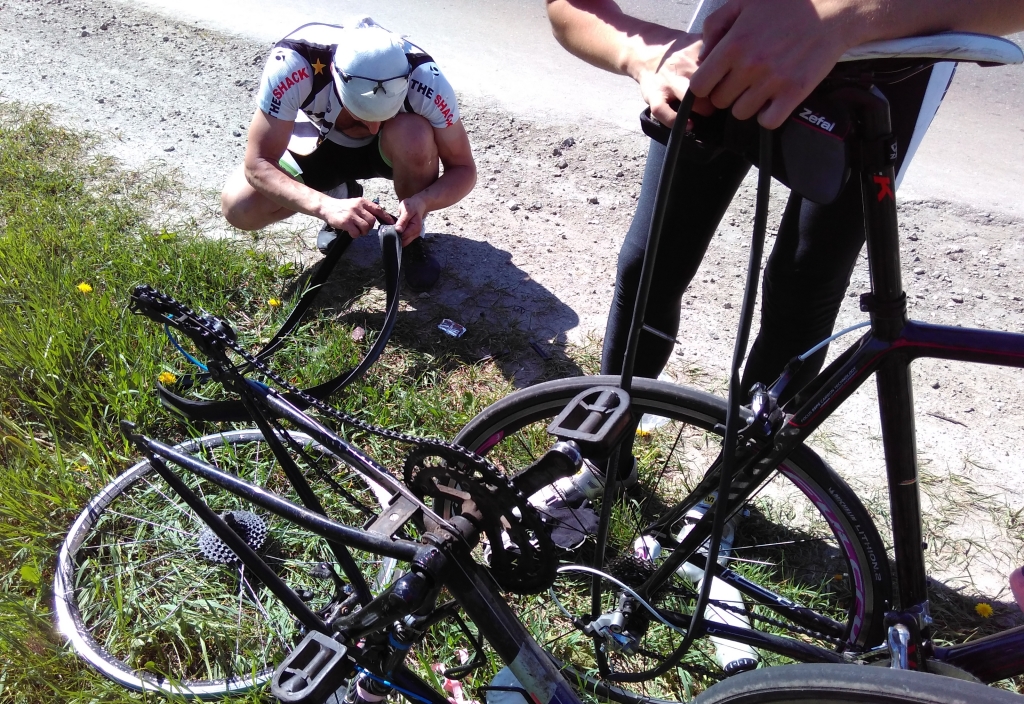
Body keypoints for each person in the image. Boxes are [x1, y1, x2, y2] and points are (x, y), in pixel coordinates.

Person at [542, 0, 1024, 490]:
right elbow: (571, 8)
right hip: (738, 40)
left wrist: (843, 19)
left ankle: (726, 494)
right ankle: (601, 460)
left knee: (802, 297)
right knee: (650, 264)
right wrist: (643, 54)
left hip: (897, 61)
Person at [220, 17, 477, 291]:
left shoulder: (427, 79)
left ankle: (411, 236)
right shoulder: (296, 61)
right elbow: (258, 164)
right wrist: (325, 206)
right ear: (334, 73)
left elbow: (464, 169)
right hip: (319, 144)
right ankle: (339, 194)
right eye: (361, 113)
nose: (373, 127)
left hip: (390, 148)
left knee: (413, 134)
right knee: (240, 207)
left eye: (385, 114)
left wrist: (423, 201)